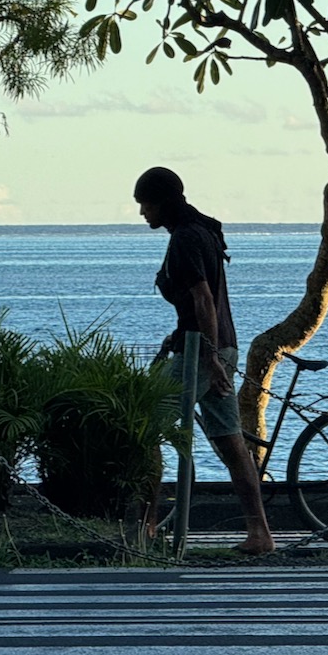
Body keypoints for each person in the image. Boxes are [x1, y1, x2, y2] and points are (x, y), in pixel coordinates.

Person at [134, 166, 275, 556]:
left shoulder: (186, 238)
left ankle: (145, 526)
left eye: (145, 204)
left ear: (163, 202)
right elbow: (194, 306)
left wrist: (209, 357)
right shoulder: (203, 232)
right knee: (230, 442)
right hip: (216, 347)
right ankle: (259, 532)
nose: (143, 212)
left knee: (146, 428)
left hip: (202, 353)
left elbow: (203, 300)